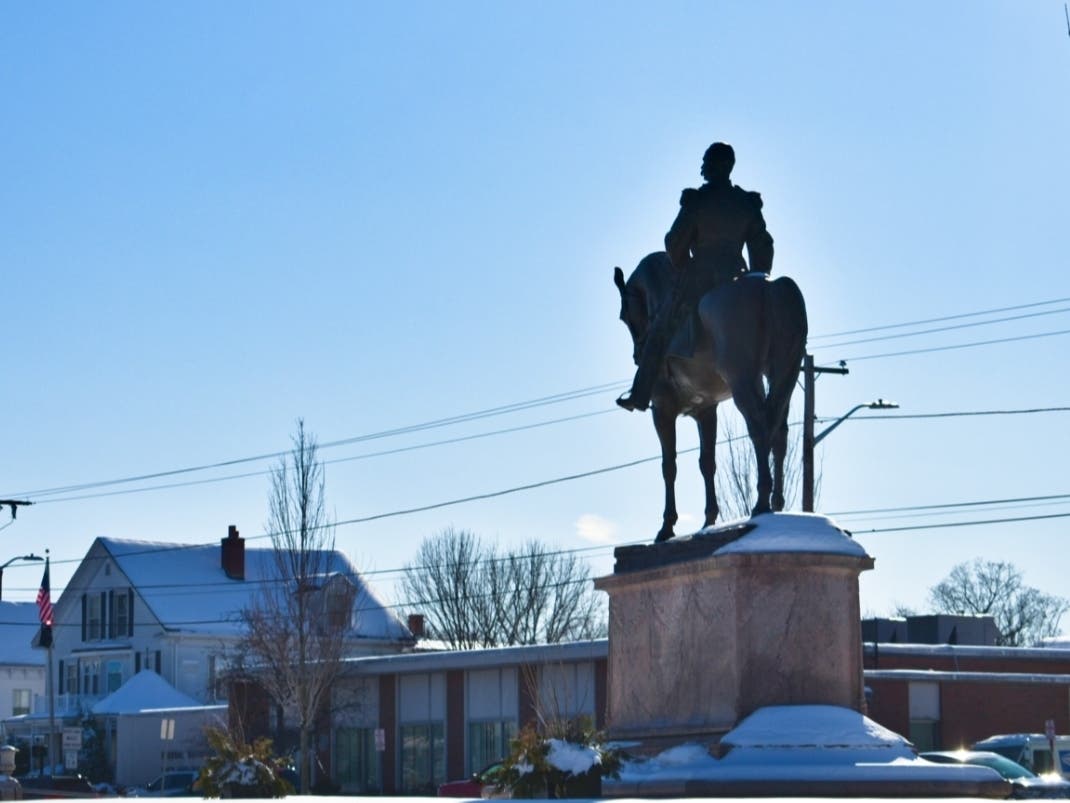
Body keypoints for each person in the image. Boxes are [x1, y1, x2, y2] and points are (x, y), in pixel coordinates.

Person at [616, 142, 775, 412]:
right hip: (738, 277)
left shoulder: (696, 201)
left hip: (699, 278)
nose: (702, 168)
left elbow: (674, 244)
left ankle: (640, 394)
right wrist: (756, 280)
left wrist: (682, 265)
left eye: (705, 163)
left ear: (712, 166)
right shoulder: (746, 202)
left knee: (658, 329)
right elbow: (763, 245)